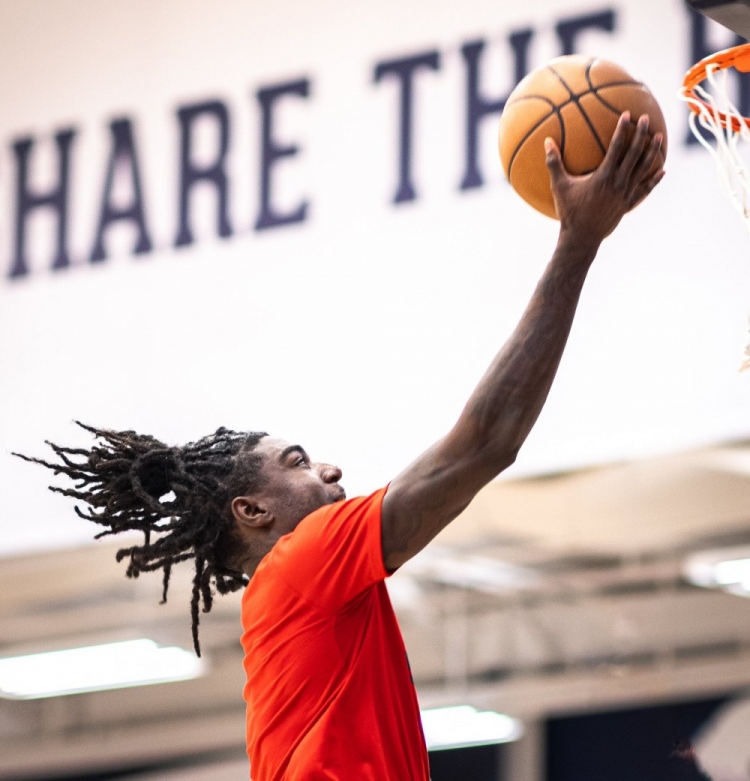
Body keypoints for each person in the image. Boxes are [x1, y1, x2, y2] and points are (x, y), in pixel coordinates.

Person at [16, 113, 665, 781]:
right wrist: (576, 242)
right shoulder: (302, 561)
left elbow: (487, 446)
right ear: (253, 510)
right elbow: (485, 445)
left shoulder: (305, 589)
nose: (331, 468)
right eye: (297, 462)